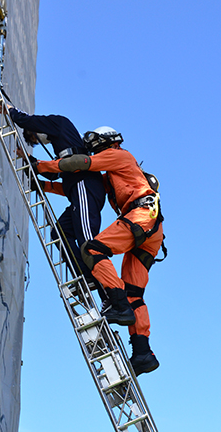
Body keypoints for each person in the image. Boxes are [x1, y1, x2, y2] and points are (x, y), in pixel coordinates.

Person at [36, 126, 165, 376]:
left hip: (140, 216)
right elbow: (73, 188)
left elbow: (80, 163)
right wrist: (43, 185)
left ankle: (117, 304)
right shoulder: (115, 173)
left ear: (106, 141)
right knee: (134, 295)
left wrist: (40, 166)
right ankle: (142, 354)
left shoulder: (118, 155)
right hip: (153, 228)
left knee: (93, 249)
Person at [8, 108, 106, 281]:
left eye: (34, 137)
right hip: (79, 189)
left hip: (84, 184)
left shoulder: (58, 123)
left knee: (87, 241)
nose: (39, 142)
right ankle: (85, 276)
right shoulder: (63, 147)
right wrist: (28, 160)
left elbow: (27, 121)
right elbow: (54, 173)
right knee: (59, 234)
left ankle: (109, 290)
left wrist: (10, 112)